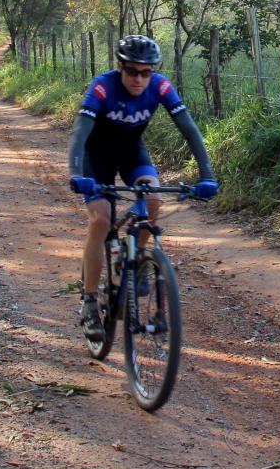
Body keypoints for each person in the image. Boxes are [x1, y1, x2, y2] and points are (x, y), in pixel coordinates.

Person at [68, 35, 219, 338]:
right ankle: (89, 302)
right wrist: (75, 173)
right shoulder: (102, 86)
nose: (139, 78)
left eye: (146, 72)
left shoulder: (160, 86)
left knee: (152, 199)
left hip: (132, 153)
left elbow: (189, 129)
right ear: (120, 67)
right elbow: (80, 133)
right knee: (101, 220)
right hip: (95, 159)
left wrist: (207, 176)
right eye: (133, 71)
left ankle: (137, 260)